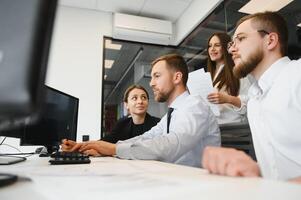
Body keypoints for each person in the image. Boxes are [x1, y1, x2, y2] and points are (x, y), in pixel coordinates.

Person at [62, 54, 220, 167]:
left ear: (177, 77)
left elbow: (171, 144)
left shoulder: (195, 106)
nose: (151, 83)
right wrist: (94, 146)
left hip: (198, 185)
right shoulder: (172, 114)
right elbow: (147, 137)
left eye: (157, 76)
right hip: (178, 179)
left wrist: (114, 149)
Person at [202, 11, 301, 183]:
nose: (232, 49)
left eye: (241, 39)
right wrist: (253, 172)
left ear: (270, 41)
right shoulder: (255, 101)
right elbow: (277, 170)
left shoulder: (297, 75)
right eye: (232, 43)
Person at [206, 32, 251, 124]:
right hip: (216, 127)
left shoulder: (238, 70)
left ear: (226, 48)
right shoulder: (210, 75)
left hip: (235, 129)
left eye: (217, 45)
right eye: (210, 46)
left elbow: (250, 102)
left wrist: (228, 99)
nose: (212, 49)